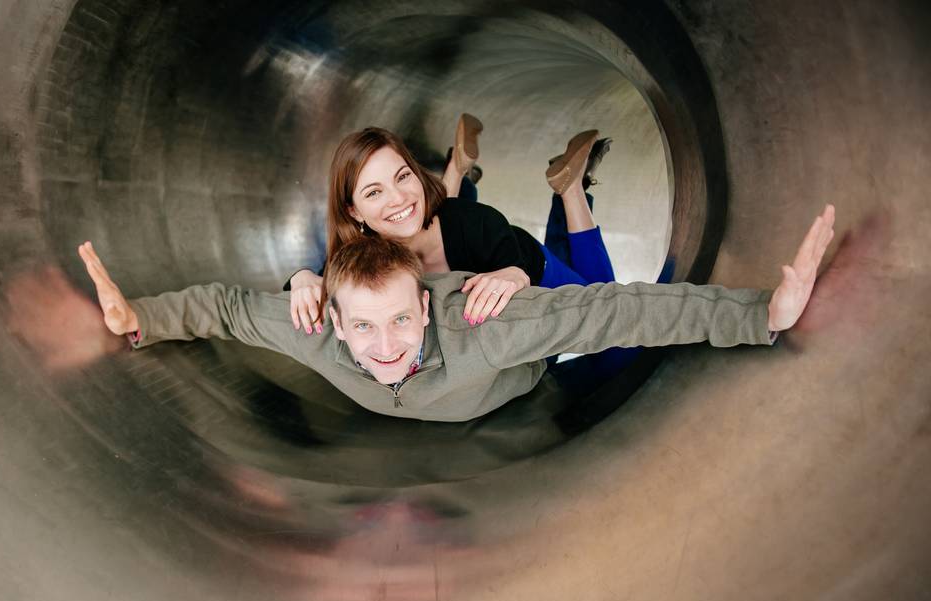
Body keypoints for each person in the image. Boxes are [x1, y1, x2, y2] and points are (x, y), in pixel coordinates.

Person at [76, 203, 835, 422]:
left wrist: (762, 312)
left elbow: (619, 310)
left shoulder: (485, 323)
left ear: (426, 307)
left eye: (402, 321)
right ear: (334, 323)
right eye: (364, 327)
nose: (384, 347)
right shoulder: (316, 325)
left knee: (579, 312)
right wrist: (134, 317)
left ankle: (523, 203)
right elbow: (226, 308)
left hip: (514, 374)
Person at [285, 116, 619, 336]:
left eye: (403, 176)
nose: (398, 198)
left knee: (603, 300)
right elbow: (312, 287)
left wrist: (517, 274)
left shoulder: (476, 222)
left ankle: (571, 188)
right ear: (353, 211)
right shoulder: (358, 253)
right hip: (460, 225)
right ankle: (464, 170)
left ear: (416, 173)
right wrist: (302, 278)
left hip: (531, 265)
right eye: (374, 192)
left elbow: (520, 264)